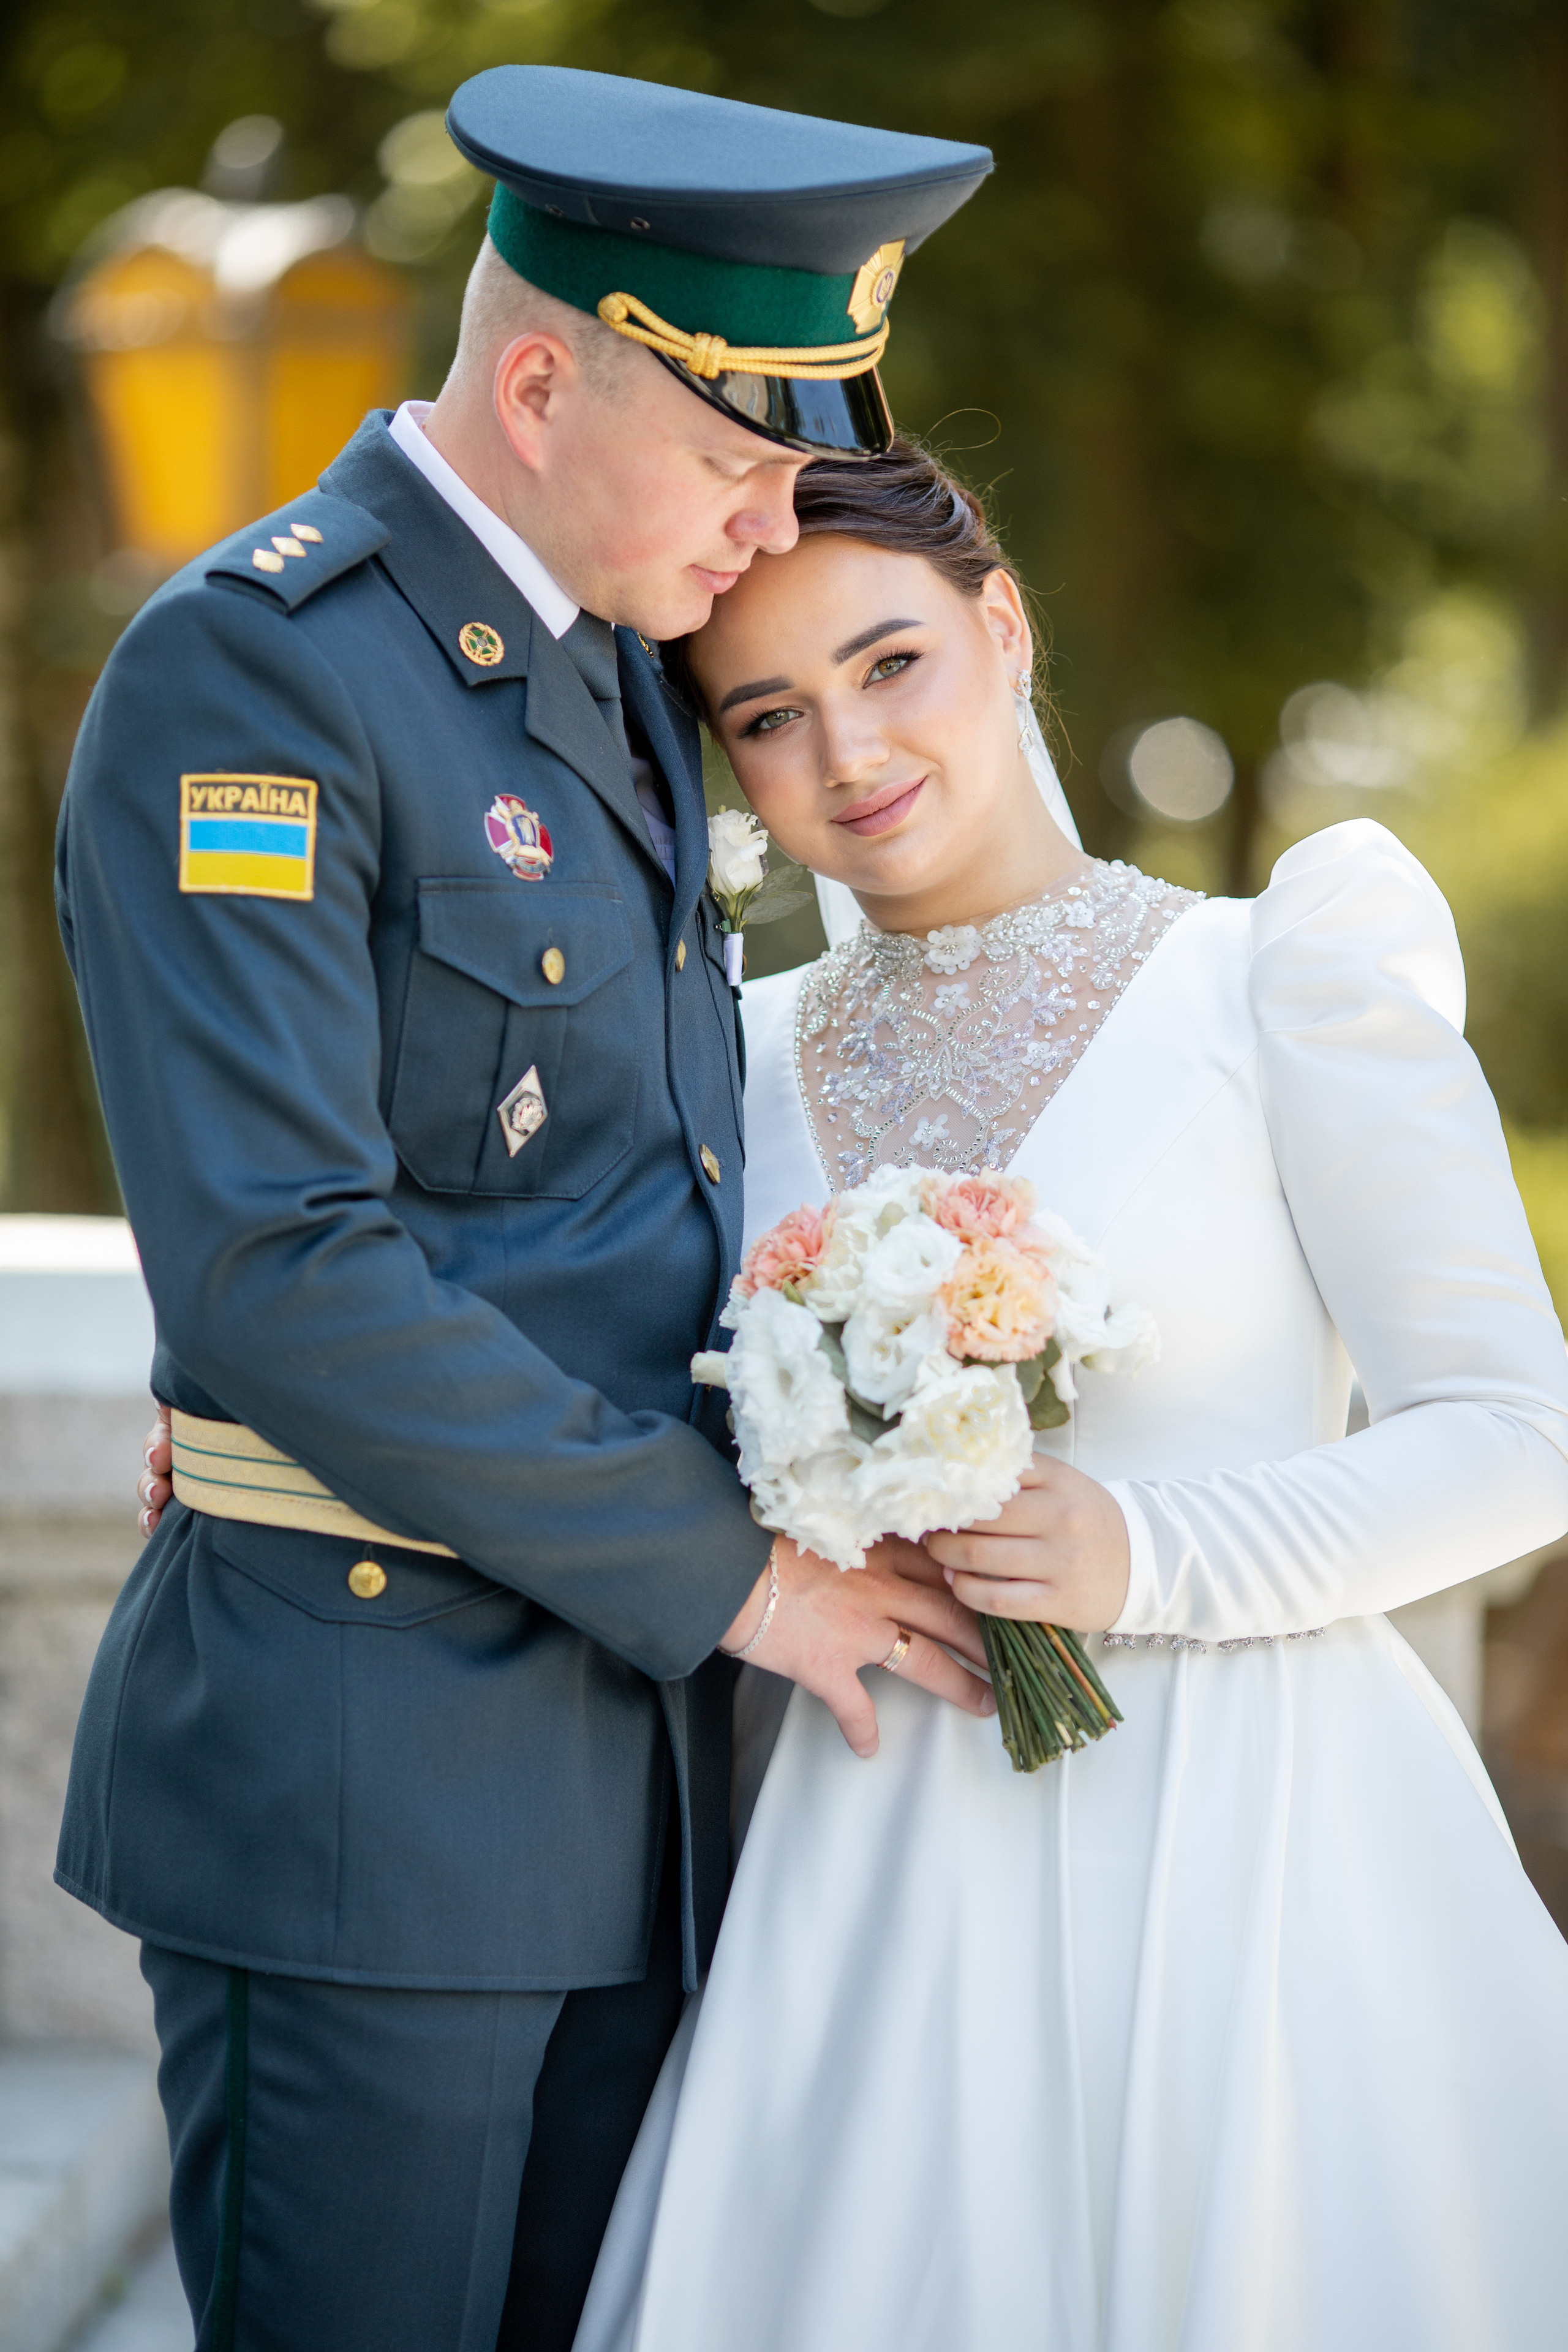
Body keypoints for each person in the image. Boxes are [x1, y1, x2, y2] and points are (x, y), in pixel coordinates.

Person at [58, 69, 998, 2352]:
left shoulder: (615, 675)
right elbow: (285, 1264)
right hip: (376, 1782)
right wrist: (744, 1583)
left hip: (633, 1787)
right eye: (735, 444)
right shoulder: (259, 672)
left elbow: (636, 1205)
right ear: (547, 373)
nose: (779, 505)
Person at [564, 440, 1568, 2352]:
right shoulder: (731, 1057)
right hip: (877, 1856)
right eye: (767, 716)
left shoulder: (1279, 976)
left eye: (891, 667)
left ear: (1002, 626)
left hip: (1261, 1849)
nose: (849, 754)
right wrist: (260, 1418)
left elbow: (1523, 1434)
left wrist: (1150, 1554)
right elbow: (578, 1371)